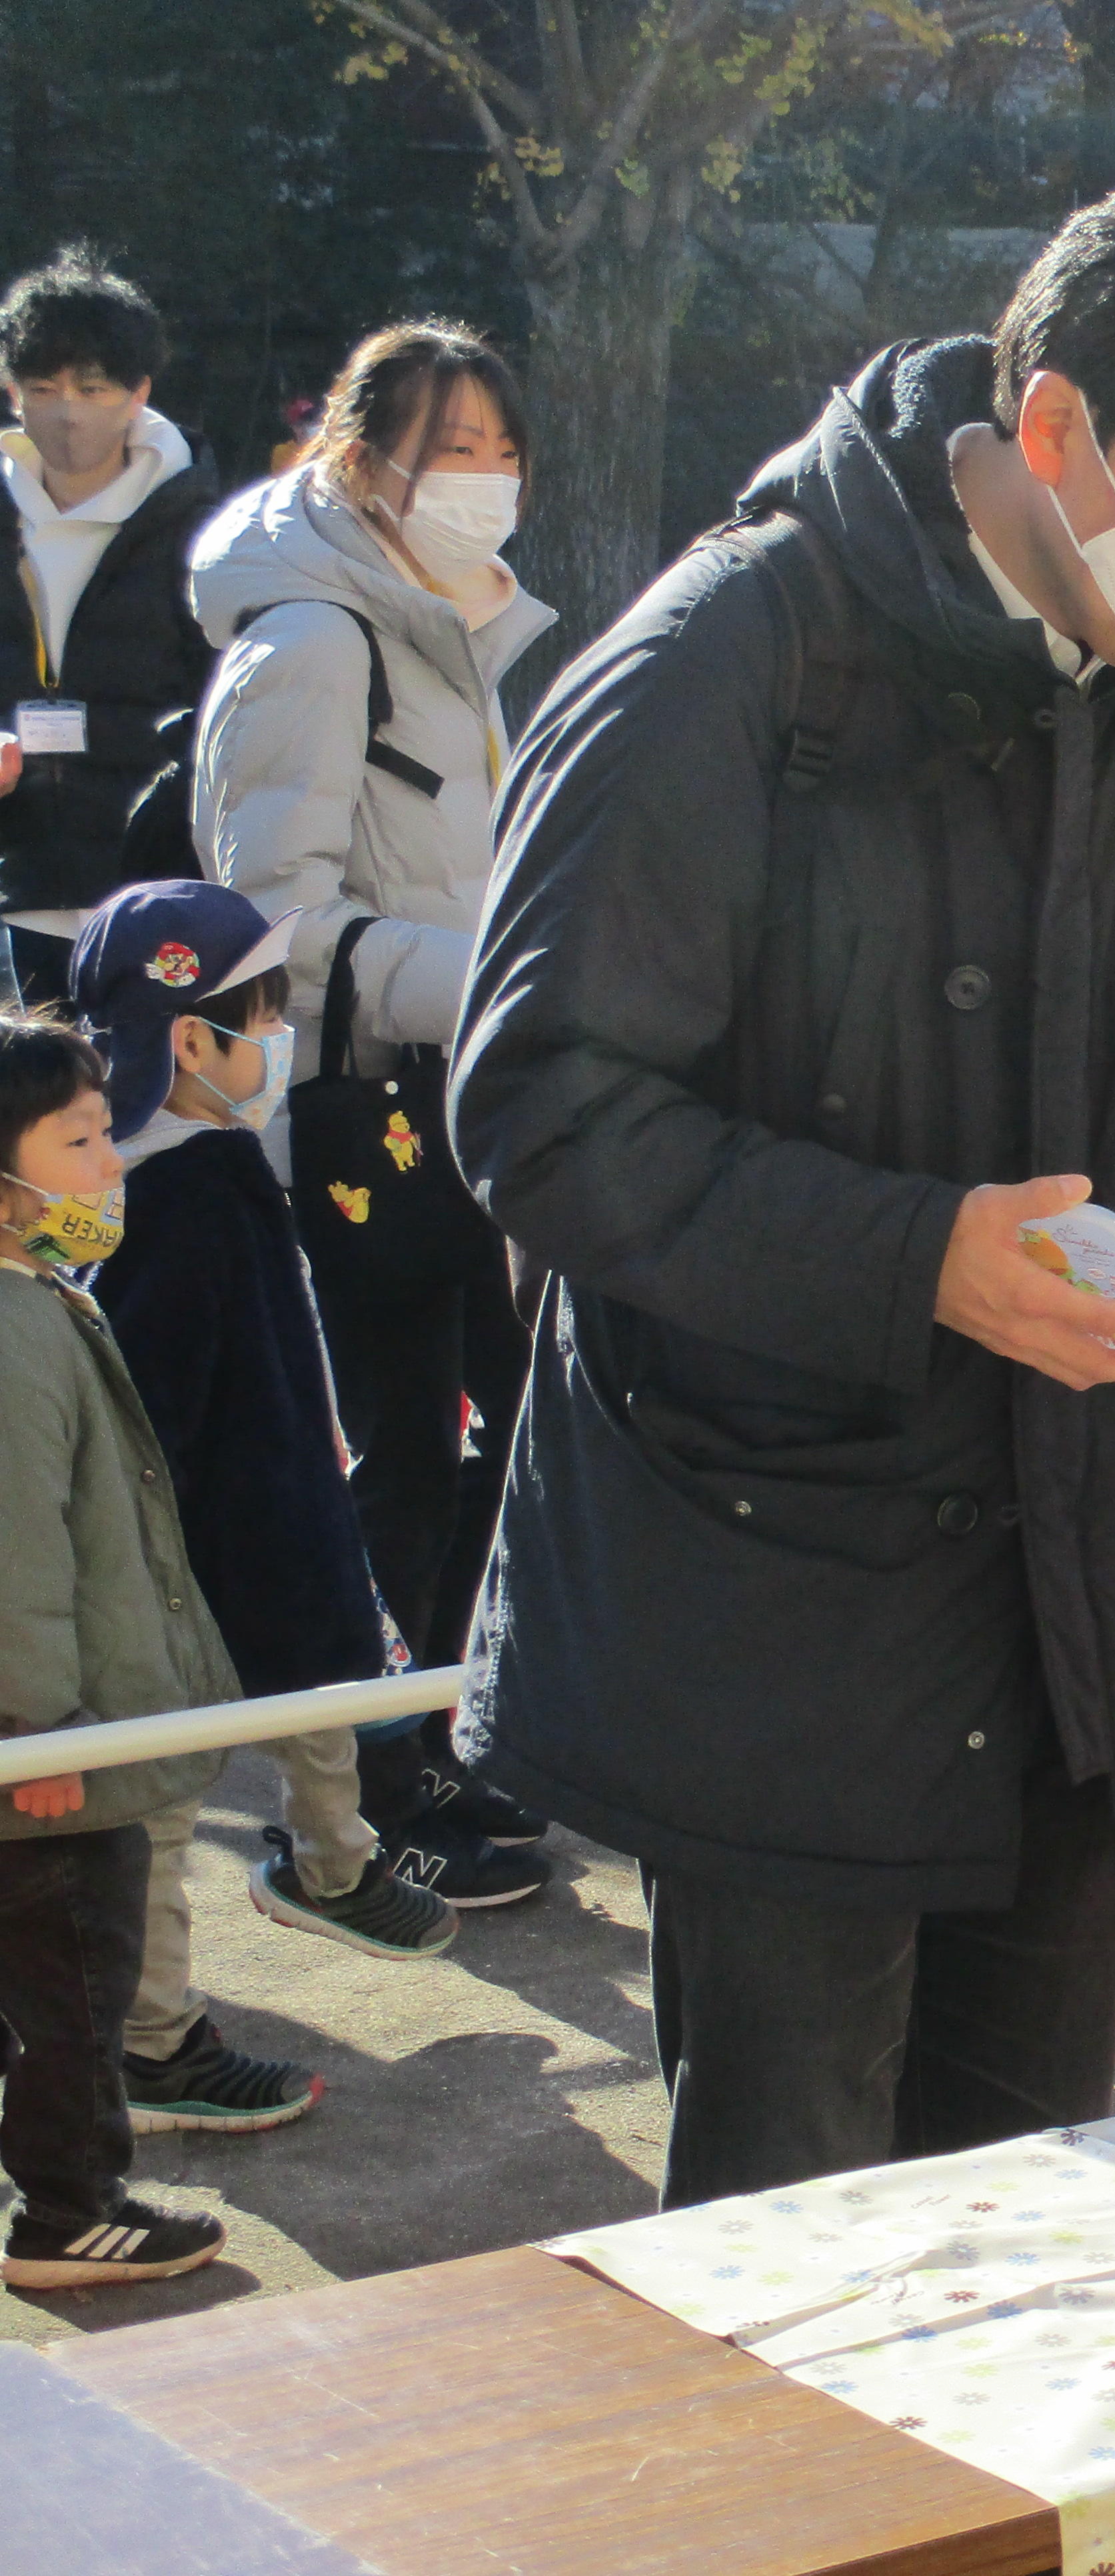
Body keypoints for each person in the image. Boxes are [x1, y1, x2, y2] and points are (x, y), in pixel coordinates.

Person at [449, 157, 1115, 2209]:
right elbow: (540, 1103)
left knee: (1024, 2242)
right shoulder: (734, 658)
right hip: (777, 1584)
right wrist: (919, 1260)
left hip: (1081, 1587)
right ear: (1057, 424)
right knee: (794, 2252)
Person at [188, 317, 557, 1905]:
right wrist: (480, 971)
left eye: (500, 448)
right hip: (356, 1114)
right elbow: (255, 931)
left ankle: (435, 1744)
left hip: (456, 1093)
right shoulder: (317, 639)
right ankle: (342, 1803)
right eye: (446, 449)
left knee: (473, 1433)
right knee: (393, 1450)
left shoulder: (451, 622)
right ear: (358, 457)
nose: (482, 480)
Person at [72, 884, 460, 2139]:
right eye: (259, 1009)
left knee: (327, 1682)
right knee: (167, 1791)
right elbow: (153, 1410)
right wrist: (154, 1567)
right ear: (187, 1038)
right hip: (202, 1541)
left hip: (282, 1498)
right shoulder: (161, 1195)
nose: (278, 1029)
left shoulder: (206, 1157)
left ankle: (332, 1862)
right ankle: (155, 2038)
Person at [0, 1010, 238, 2288]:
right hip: (51, 1752)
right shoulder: (10, 1322)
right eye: (81, 1139)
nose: (111, 1164)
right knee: (77, 1990)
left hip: (63, 1733)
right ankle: (67, 2211)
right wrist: (38, 1729)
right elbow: (16, 1554)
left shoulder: (37, 1293)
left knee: (58, 1978)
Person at [0, 252, 220, 1005]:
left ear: (138, 394)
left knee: (150, 1107)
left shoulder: (204, 529)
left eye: (93, 389)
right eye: (42, 389)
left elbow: (224, 705)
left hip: (155, 886)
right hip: (18, 882)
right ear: (11, 391)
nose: (67, 413)